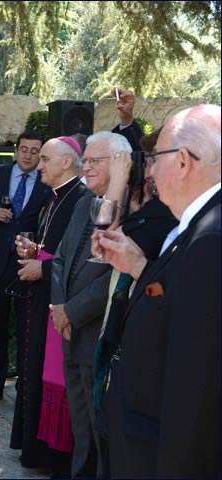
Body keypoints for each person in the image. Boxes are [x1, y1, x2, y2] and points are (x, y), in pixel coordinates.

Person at [97, 104, 220, 478]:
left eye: (155, 159)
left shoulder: (210, 238)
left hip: (156, 453)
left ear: (182, 162)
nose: (148, 171)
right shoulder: (198, 226)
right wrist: (138, 267)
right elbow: (180, 309)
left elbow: (196, 388)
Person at [91, 126, 177, 478]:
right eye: (148, 161)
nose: (151, 169)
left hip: (147, 360)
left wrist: (140, 269)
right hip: (119, 340)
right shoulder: (152, 208)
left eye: (156, 159)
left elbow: (101, 244)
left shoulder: (174, 217)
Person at [50, 131, 132, 477]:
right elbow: (60, 258)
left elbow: (113, 277)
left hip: (97, 334)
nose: (86, 167)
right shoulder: (84, 202)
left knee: (102, 431)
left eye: (94, 160)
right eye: (85, 160)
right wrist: (58, 308)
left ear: (119, 163)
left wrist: (73, 311)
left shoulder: (132, 205)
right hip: (68, 331)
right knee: (80, 427)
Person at [9, 136, 90, 475]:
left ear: (66, 162)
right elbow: (55, 247)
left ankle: (53, 457)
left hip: (61, 301)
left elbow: (80, 260)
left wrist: (41, 265)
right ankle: (35, 450)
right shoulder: (55, 197)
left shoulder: (83, 200)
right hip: (42, 298)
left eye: (44, 158)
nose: (38, 164)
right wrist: (33, 249)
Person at [0, 131, 52, 408]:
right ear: (16, 151)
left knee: (26, 330)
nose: (29, 155)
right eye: (24, 149)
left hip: (27, 265)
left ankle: (25, 388)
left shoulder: (47, 180)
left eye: (35, 151)